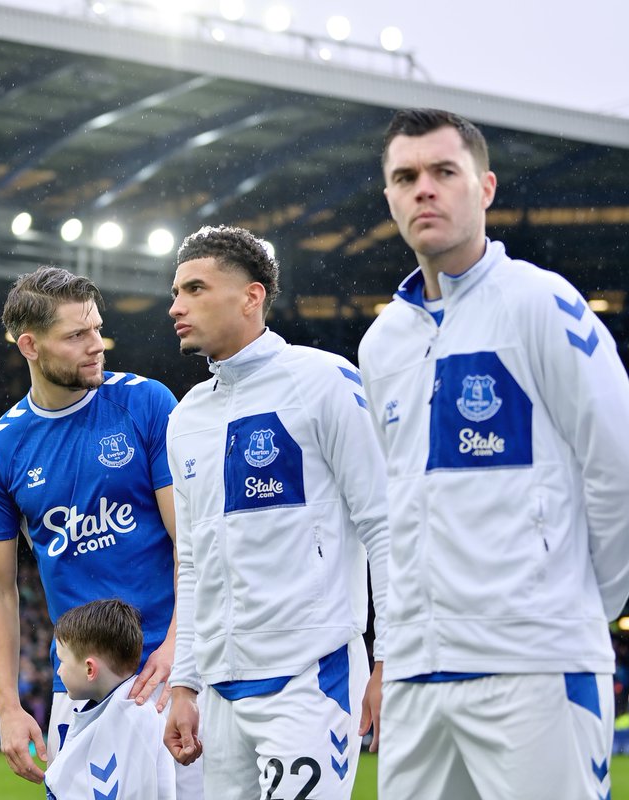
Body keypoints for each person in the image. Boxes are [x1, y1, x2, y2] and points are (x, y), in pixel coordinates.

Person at [358, 108, 629, 800]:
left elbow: (617, 465)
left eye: (444, 172)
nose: (425, 189)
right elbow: (394, 510)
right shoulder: (380, 345)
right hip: (420, 673)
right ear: (388, 197)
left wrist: (579, 608)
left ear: (485, 189)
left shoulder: (543, 304)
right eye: (406, 176)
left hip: (533, 663)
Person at [163, 225, 389, 800]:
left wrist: (392, 657)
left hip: (310, 678)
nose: (175, 307)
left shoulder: (324, 381)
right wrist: (186, 683)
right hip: (218, 689)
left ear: (251, 296)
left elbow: (385, 526)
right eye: (175, 292)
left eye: (194, 289)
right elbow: (192, 562)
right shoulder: (186, 417)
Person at [0, 265, 199, 795]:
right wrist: (7, 706)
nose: (97, 345)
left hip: (167, 674)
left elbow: (188, 542)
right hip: (80, 689)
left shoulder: (145, 402)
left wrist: (176, 647)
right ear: (29, 344)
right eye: (76, 335)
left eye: (96, 328)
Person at [43, 599, 177, 800]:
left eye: (62, 660)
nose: (59, 670)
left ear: (90, 669)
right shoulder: (126, 716)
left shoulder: (138, 721)